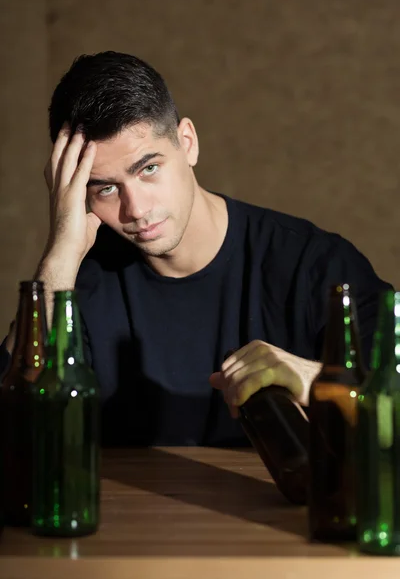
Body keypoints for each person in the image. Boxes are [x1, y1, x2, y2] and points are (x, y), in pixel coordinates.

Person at [0, 51, 392, 446]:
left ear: (187, 143)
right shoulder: (76, 284)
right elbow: (15, 426)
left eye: (148, 168)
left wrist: (321, 381)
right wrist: (59, 255)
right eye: (105, 188)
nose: (135, 210)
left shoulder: (314, 264)